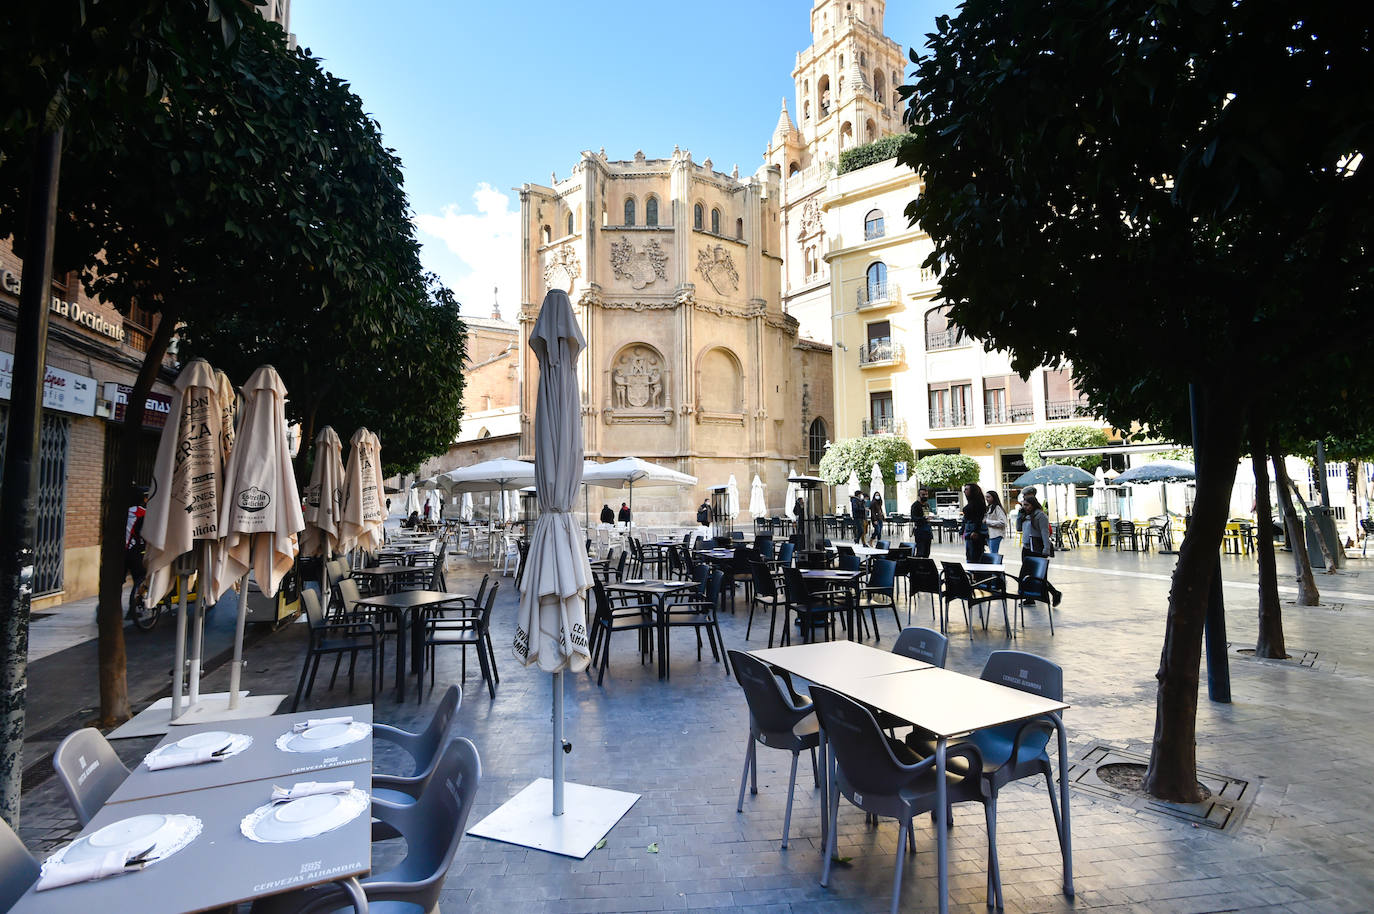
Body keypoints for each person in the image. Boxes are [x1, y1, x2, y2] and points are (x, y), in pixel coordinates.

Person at [1019, 492, 1062, 606]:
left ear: (1033, 505)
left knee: (1039, 576)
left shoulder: (1040, 515)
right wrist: (1020, 516)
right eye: (1024, 505)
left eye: (1027, 505)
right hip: (1027, 547)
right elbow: (1019, 529)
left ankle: (1054, 593)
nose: (1025, 507)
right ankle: (1029, 598)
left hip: (1037, 548)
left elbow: (1044, 532)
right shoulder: (1025, 516)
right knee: (1026, 574)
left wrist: (1046, 549)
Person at [961, 482, 987, 563]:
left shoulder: (978, 504)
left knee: (974, 554)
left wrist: (976, 531)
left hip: (974, 531)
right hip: (969, 530)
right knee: (970, 553)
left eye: (966, 490)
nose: (964, 492)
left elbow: (978, 518)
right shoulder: (972, 503)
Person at [910, 488, 933, 558]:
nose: (925, 496)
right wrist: (923, 518)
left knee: (927, 551)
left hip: (928, 531)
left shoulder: (927, 505)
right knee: (920, 551)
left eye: (926, 494)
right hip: (920, 531)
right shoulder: (915, 505)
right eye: (923, 495)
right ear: (919, 495)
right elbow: (913, 518)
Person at [984, 490, 1009, 556]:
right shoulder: (989, 508)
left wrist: (987, 522)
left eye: (988, 497)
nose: (986, 499)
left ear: (994, 497)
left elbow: (1003, 522)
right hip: (990, 534)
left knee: (994, 554)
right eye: (986, 497)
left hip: (995, 535)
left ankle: (996, 565)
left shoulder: (997, 508)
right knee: (993, 553)